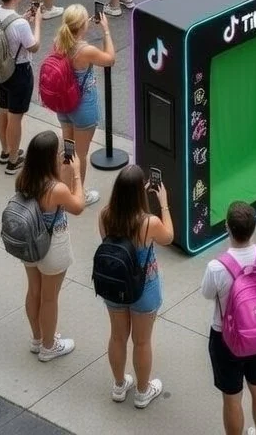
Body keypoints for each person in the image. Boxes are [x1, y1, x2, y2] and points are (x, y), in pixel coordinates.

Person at [98, 164, 173, 408]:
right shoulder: (148, 222)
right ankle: (142, 391)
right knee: (142, 342)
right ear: (139, 194)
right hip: (145, 287)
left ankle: (119, 385)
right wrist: (163, 204)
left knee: (117, 336)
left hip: (115, 283)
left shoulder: (105, 215)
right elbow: (169, 237)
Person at [202, 200, 256, 435]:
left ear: (228, 227)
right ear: (253, 228)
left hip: (227, 339)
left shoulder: (217, 267)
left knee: (232, 399)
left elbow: (207, 294)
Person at [14, 130, 86, 361]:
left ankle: (37, 337)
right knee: (49, 297)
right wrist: (75, 174)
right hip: (52, 245)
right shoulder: (56, 189)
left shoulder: (23, 178)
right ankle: (48, 346)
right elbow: (78, 206)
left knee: (34, 290)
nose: (60, 155)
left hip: (29, 242)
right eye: (57, 153)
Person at [52, 4, 115, 204]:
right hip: (82, 106)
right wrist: (105, 30)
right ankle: (79, 193)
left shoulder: (59, 42)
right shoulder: (84, 50)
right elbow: (110, 59)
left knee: (67, 148)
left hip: (63, 104)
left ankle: (64, 187)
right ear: (81, 27)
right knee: (80, 153)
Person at [0, 0, 42, 175]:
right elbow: (34, 46)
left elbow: (7, 28)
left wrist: (23, 17)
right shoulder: (20, 25)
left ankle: (5, 150)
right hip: (18, 72)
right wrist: (36, 22)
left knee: (3, 109)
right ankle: (14, 160)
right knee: (15, 117)